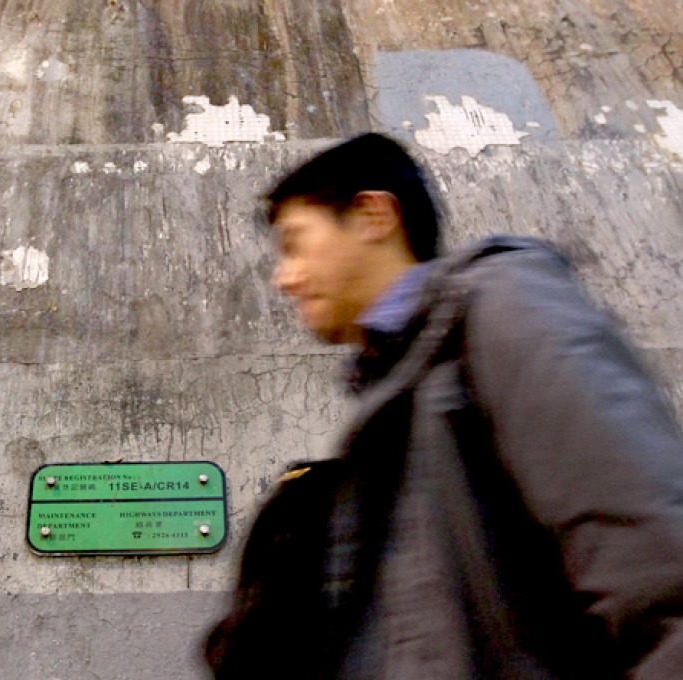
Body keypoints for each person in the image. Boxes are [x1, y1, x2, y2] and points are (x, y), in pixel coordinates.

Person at [204, 133, 683, 678]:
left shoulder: (507, 305)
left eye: (294, 244)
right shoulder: (401, 388)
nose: (284, 278)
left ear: (373, 216)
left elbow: (652, 560)